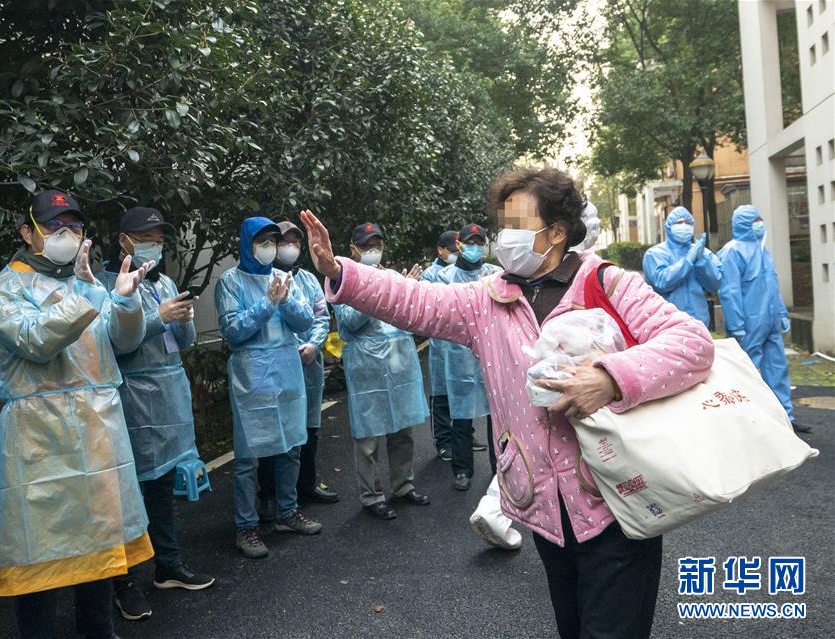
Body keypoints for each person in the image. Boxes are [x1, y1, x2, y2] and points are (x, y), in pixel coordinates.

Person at [300, 165, 714, 639]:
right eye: (503, 225)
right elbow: (414, 300)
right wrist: (340, 272)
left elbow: (691, 344)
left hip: (616, 499)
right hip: (544, 508)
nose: (503, 238)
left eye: (516, 225)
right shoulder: (487, 300)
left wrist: (611, 378)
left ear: (556, 232)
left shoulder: (608, 284)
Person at [0, 190, 155, 639]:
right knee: (41, 556)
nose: (66, 235)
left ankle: (100, 631)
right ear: (28, 233)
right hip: (39, 439)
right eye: (55, 227)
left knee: (97, 549)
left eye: (74, 228)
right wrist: (90, 295)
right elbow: (35, 339)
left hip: (97, 434)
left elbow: (124, 341)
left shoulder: (85, 283)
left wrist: (127, 302)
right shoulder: (5, 290)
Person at [96, 207, 214, 622]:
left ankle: (168, 564)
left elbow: (183, 341)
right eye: (147, 237)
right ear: (124, 239)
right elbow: (114, 345)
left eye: (161, 240)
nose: (155, 246)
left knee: (162, 485)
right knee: (124, 493)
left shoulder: (164, 280)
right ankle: (121, 580)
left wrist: (182, 319)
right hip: (130, 396)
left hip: (168, 393)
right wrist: (156, 318)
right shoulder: (106, 284)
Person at [215, 217, 323, 559]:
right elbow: (233, 331)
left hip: (288, 372)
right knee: (249, 457)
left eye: (273, 241)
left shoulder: (284, 278)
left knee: (291, 446)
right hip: (252, 376)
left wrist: (286, 299)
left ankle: (287, 511)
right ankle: (246, 525)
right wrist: (268, 303)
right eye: (262, 241)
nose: (270, 248)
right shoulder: (230, 281)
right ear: (247, 243)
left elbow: (306, 321)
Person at [333, 222, 432, 520]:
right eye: (366, 246)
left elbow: (407, 318)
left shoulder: (391, 277)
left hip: (398, 364)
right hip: (367, 369)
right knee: (368, 436)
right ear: (353, 248)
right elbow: (349, 325)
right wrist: (378, 295)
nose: (372, 250)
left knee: (403, 430)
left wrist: (408, 292)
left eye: (377, 245)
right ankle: (372, 495)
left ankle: (403, 485)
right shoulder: (345, 279)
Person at [257, 221, 338, 516]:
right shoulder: (261, 279)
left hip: (308, 364)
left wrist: (315, 345)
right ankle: (268, 494)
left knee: (308, 429)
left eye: (296, 242)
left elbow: (320, 315)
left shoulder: (307, 279)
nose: (291, 247)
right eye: (285, 241)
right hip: (276, 367)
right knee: (273, 431)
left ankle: (305, 487)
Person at [717, 205, 811, 434]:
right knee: (748, 372)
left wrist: (781, 313)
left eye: (760, 219)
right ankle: (749, 421)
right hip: (749, 323)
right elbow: (730, 291)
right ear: (744, 223)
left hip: (769, 322)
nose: (760, 223)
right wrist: (737, 323)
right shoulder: (732, 251)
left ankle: (785, 417)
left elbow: (772, 285)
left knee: (778, 368)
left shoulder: (762, 251)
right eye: (755, 220)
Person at [437, 223, 500, 491]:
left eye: (479, 242)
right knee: (461, 414)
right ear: (459, 244)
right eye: (469, 242)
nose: (475, 247)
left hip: (493, 354)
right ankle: (462, 470)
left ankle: (501, 468)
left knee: (498, 415)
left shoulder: (496, 275)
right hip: (460, 355)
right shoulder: (445, 277)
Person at [642, 206, 722, 328]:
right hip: (666, 322)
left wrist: (702, 263)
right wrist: (687, 261)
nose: (684, 226)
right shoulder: (655, 254)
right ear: (669, 226)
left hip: (698, 321)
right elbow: (661, 282)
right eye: (679, 223)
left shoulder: (702, 252)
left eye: (688, 223)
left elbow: (713, 284)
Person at [420, 230, 459, 462]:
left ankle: (464, 434)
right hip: (442, 344)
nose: (456, 254)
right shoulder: (430, 275)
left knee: (464, 391)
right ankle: (443, 441)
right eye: (452, 251)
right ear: (440, 250)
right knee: (442, 393)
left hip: (461, 345)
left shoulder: (463, 271)